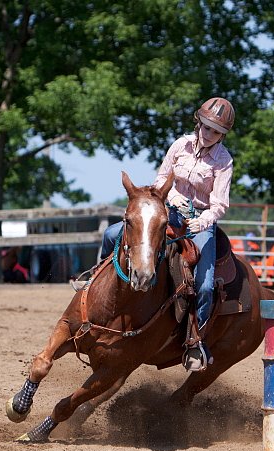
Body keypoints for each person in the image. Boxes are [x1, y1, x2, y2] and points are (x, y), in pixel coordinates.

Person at [80, 97, 235, 371]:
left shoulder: (224, 161)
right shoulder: (180, 146)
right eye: (206, 126)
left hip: (200, 222)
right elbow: (161, 179)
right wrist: (165, 199)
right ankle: (93, 280)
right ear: (199, 121)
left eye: (215, 131)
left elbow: (220, 204)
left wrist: (203, 221)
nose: (208, 133)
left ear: (222, 134)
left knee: (206, 283)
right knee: (112, 234)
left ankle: (194, 341)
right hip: (169, 212)